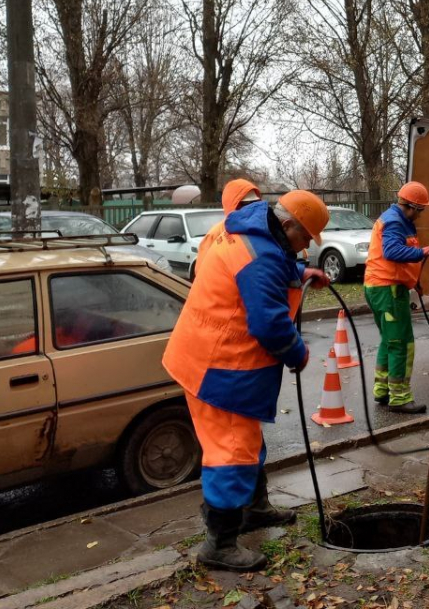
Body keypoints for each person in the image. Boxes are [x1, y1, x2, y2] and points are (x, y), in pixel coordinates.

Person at [162, 190, 330, 571]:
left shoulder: (247, 225)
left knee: (246, 441)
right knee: (232, 451)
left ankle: (254, 510)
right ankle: (219, 544)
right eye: (305, 238)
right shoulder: (263, 255)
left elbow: (267, 262)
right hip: (220, 367)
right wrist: (298, 353)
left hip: (204, 354)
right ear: (287, 225)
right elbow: (269, 324)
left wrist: (302, 273)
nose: (305, 248)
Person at [363, 181, 429, 413]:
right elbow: (392, 251)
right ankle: (400, 397)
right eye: (421, 210)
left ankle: (383, 390)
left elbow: (396, 257)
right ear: (412, 206)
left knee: (389, 340)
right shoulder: (396, 221)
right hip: (388, 290)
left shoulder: (398, 220)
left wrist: (414, 281)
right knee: (402, 344)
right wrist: (423, 251)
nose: (421, 214)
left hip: (381, 287)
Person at [191, 178, 262, 279]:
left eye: (255, 203)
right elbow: (202, 272)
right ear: (232, 205)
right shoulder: (216, 234)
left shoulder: (263, 230)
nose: (251, 208)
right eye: (245, 204)